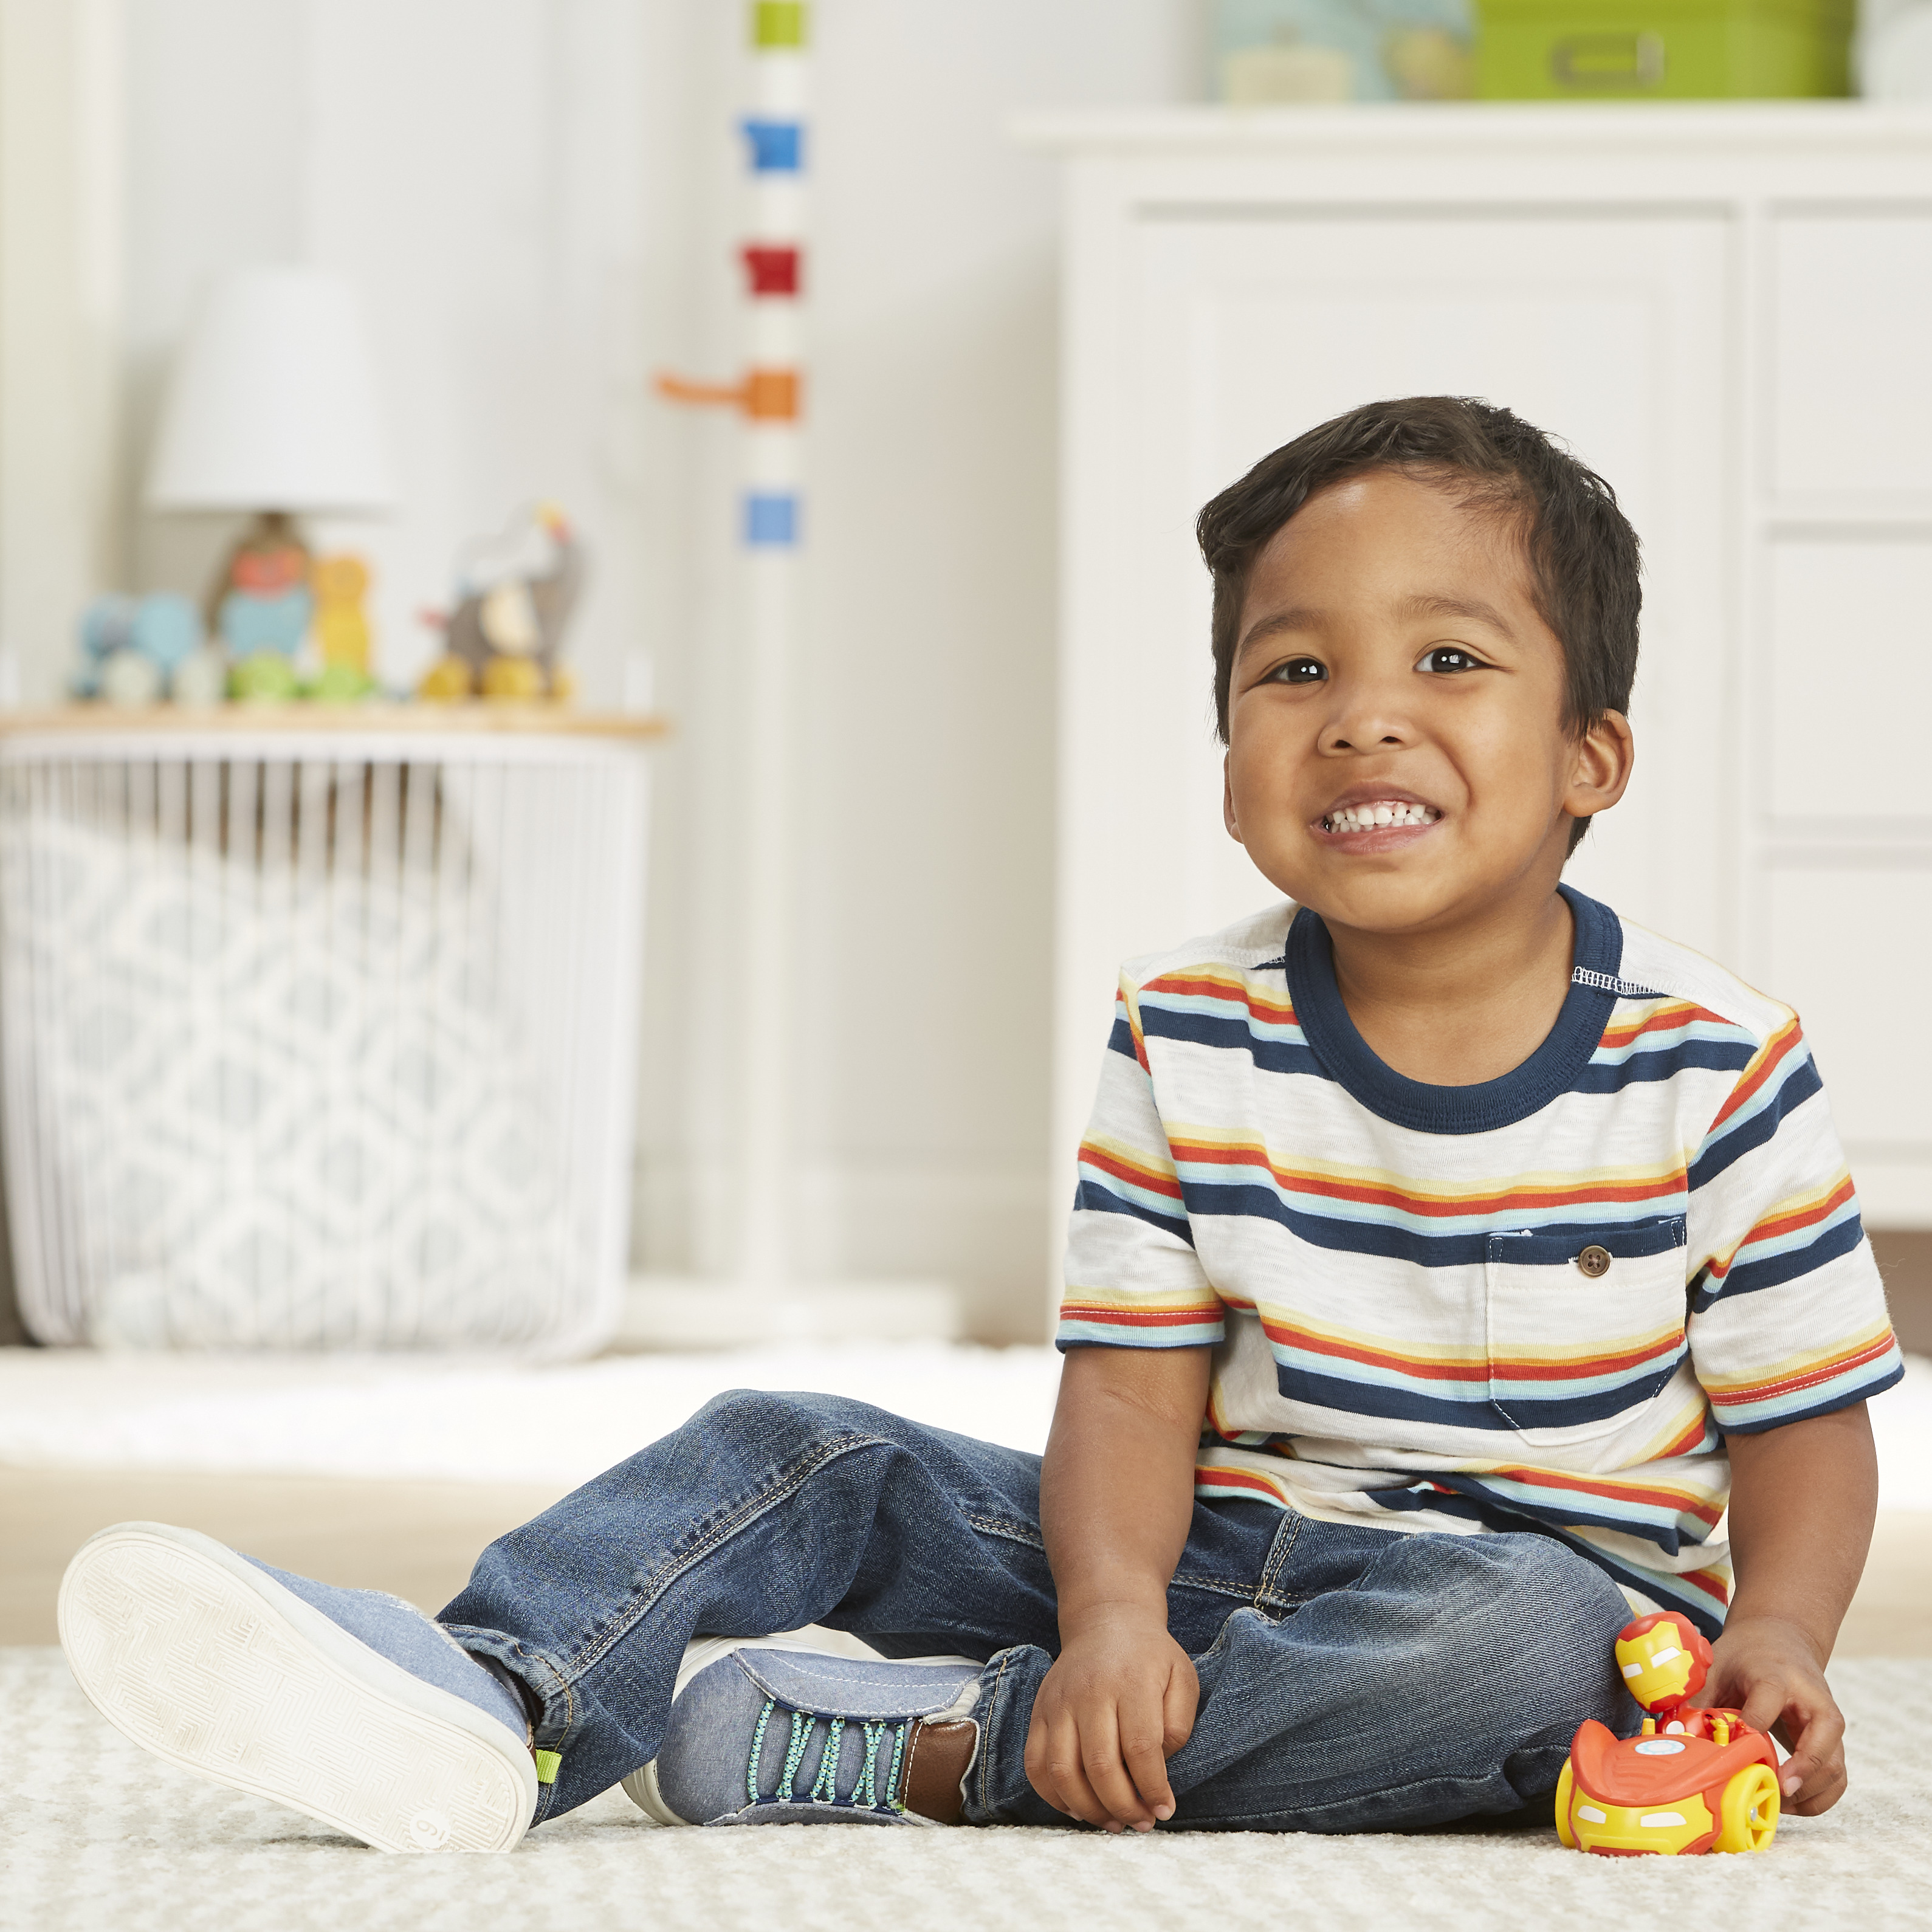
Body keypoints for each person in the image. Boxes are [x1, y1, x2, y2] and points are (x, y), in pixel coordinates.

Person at [58, 397, 1900, 1855]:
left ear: (1595, 755)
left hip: (1550, 1603)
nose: (1361, 725)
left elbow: (1804, 1424)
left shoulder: (1714, 1063)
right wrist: (1114, 1617)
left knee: (1523, 1666)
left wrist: (1787, 1639)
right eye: (1295, 672)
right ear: (1231, 743)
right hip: (1204, 1540)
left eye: (1448, 663)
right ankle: (493, 1699)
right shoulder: (1189, 1027)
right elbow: (1126, 1383)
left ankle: (947, 1743)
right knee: (803, 1443)